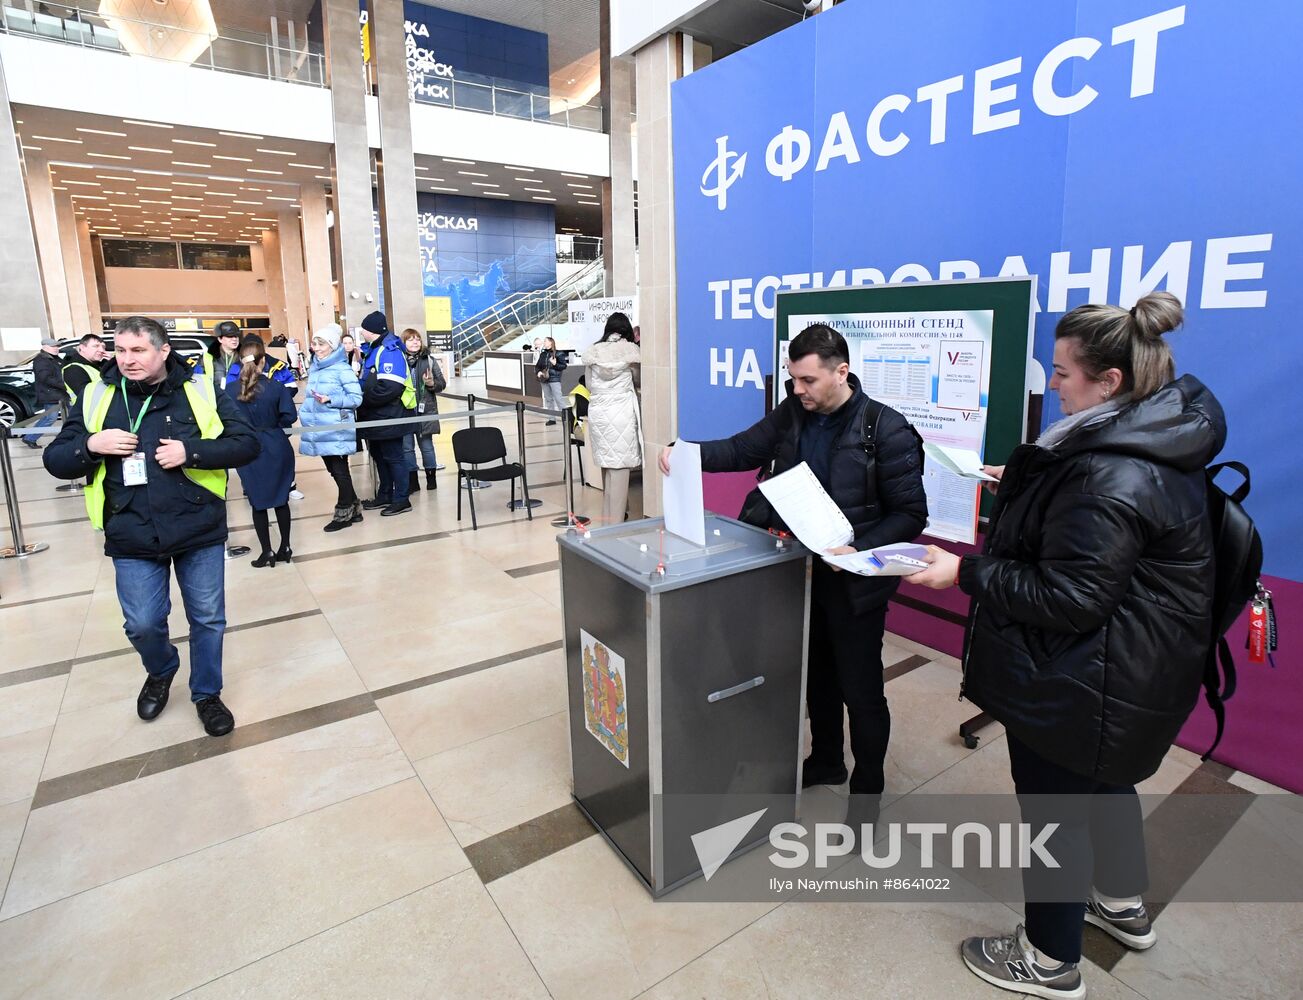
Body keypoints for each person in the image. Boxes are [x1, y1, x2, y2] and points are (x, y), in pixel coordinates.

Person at [904, 292, 1224, 1000]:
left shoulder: (1106, 470)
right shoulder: (1154, 437)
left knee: (1055, 813)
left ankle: (1048, 960)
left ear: (1108, 382)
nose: (1051, 385)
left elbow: (1071, 597)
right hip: (1134, 669)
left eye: (1061, 373)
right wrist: (1021, 481)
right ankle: (1120, 906)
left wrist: (964, 572)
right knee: (1107, 785)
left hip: (1083, 678)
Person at [659, 323, 928, 818]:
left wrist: (858, 548)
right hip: (801, 574)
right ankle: (826, 760)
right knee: (817, 676)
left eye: (808, 380)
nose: (798, 389)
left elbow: (911, 514)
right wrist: (686, 452)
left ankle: (867, 793)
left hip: (855, 582)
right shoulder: (793, 413)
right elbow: (742, 449)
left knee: (861, 692)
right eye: (793, 379)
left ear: (841, 372)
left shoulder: (885, 429)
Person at [43, 316, 259, 737]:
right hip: (130, 527)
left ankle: (206, 693)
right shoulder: (97, 395)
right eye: (120, 350)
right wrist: (91, 445)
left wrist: (190, 451)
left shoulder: (199, 390)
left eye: (138, 350)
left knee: (208, 618)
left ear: (163, 351)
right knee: (142, 623)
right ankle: (161, 669)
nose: (127, 359)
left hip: (197, 524)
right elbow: (56, 459)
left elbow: (247, 443)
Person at [225, 336, 297, 567]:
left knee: (257, 501)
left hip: (247, 447)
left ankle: (266, 551)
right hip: (276, 444)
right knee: (281, 499)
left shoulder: (229, 390)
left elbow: (224, 420)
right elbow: (290, 415)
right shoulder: (275, 387)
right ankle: (285, 546)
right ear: (263, 360)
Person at [300, 324, 365, 532]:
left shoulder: (342, 369)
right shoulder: (316, 367)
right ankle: (354, 507)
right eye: (314, 344)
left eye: (321, 345)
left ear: (332, 346)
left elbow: (356, 398)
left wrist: (331, 399)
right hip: (320, 428)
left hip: (336, 428)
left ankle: (344, 513)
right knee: (334, 470)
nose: (317, 349)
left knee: (339, 470)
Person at [583, 313, 643, 523]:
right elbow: (639, 380)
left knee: (608, 469)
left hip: (599, 414)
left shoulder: (594, 351)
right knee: (620, 470)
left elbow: (589, 385)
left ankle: (607, 523)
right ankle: (615, 527)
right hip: (622, 415)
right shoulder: (631, 352)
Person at [356, 310, 414, 516]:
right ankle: (385, 494)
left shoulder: (389, 351)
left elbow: (390, 387)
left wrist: (362, 400)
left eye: (363, 329)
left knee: (394, 457)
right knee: (380, 456)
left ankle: (402, 499)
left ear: (370, 330)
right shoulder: (374, 349)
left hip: (390, 414)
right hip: (376, 415)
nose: (361, 332)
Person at [400, 328, 444, 494]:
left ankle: (431, 479)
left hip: (425, 410)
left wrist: (431, 384)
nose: (415, 342)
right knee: (407, 448)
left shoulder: (429, 360)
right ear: (404, 342)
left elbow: (441, 384)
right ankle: (413, 481)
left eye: (417, 339)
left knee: (427, 446)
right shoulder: (399, 360)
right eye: (411, 339)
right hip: (404, 410)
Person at [23, 337, 66, 448]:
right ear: (45, 347)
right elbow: (45, 378)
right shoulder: (41, 360)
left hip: (59, 393)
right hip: (51, 394)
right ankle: (30, 438)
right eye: (53, 346)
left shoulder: (54, 358)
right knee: (50, 418)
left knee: (71, 416)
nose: (57, 348)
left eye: (57, 346)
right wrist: (64, 385)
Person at [191, 321, 242, 390]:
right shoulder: (206, 358)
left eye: (236, 336)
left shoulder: (244, 356)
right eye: (230, 336)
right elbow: (198, 381)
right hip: (214, 395)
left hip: (238, 395)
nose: (234, 339)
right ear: (220, 339)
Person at [61, 333, 107, 405]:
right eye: (96, 346)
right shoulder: (73, 369)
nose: (102, 350)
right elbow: (87, 396)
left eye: (103, 347)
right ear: (82, 347)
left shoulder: (99, 365)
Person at [535, 336, 568, 425]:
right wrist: (538, 372)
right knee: (548, 399)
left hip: (554, 379)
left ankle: (566, 418)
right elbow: (537, 366)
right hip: (544, 379)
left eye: (545, 341)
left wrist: (555, 364)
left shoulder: (559, 353)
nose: (544, 342)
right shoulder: (543, 354)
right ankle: (551, 418)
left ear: (551, 342)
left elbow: (563, 366)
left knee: (558, 398)